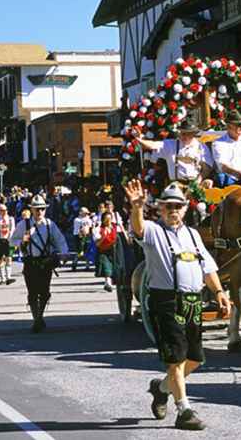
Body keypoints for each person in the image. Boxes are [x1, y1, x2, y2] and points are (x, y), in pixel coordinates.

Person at [124, 180, 230, 431]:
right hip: (167, 302)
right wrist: (137, 207)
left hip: (192, 302)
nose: (173, 210)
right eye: (168, 206)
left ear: (185, 209)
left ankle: (161, 389)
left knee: (195, 359)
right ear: (160, 208)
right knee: (176, 360)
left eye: (177, 206)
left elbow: (208, 267)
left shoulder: (193, 234)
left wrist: (219, 292)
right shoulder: (153, 231)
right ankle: (184, 410)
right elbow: (138, 229)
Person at [10, 195, 69, 333]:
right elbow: (12, 241)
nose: (39, 212)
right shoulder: (23, 224)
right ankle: (36, 318)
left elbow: (59, 240)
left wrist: (64, 253)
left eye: (42, 209)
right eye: (37, 209)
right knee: (32, 292)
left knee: (44, 292)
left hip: (45, 262)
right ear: (31, 209)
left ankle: (39, 316)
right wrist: (23, 241)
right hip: (30, 262)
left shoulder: (49, 224)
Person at [136, 118, 214, 189]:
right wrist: (140, 140)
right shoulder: (170, 144)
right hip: (176, 186)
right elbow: (153, 145)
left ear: (193, 134)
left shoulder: (201, 147)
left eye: (188, 134)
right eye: (183, 133)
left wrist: (198, 181)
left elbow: (207, 167)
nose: (185, 136)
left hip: (194, 184)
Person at [211, 112, 241, 186]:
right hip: (230, 176)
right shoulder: (218, 143)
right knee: (221, 178)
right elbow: (223, 166)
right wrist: (238, 174)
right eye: (237, 125)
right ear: (228, 127)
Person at [93, 212, 118, 292]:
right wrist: (103, 237)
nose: (108, 221)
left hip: (114, 250)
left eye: (110, 219)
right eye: (106, 219)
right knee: (106, 267)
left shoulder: (114, 227)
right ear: (103, 220)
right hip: (103, 251)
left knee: (114, 267)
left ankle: (109, 283)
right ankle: (108, 283)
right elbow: (97, 244)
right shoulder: (98, 229)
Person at [72, 207, 93, 271]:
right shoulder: (77, 219)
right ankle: (74, 263)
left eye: (86, 212)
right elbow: (79, 228)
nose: (86, 214)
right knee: (79, 252)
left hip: (87, 236)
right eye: (84, 212)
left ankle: (87, 265)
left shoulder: (88, 219)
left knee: (87, 251)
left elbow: (90, 227)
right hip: (79, 236)